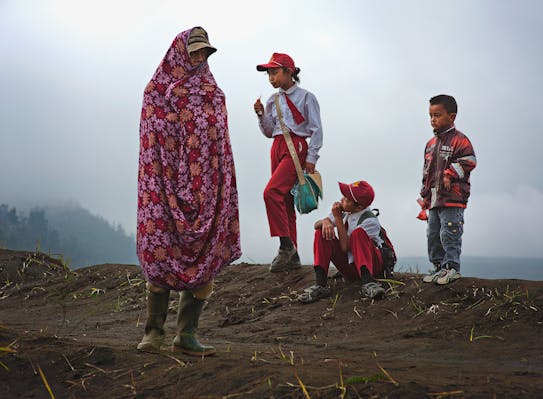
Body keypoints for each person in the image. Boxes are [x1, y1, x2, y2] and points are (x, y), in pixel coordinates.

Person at [136, 27, 241, 356]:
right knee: (163, 251)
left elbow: (221, 143)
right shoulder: (157, 91)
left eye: (204, 53)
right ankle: (154, 332)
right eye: (194, 51)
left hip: (205, 188)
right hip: (164, 186)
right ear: (179, 51)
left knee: (204, 256)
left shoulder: (213, 92)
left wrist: (216, 183)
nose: (198, 57)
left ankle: (187, 334)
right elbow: (152, 136)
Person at [253, 53, 323, 272]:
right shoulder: (272, 100)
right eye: (268, 74)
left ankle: (285, 247)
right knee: (284, 200)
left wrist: (311, 157)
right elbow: (268, 131)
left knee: (271, 192)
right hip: (277, 145)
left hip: (297, 146)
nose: (271, 78)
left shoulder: (306, 97)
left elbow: (316, 129)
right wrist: (261, 116)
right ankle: (292, 255)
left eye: (274, 72)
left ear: (289, 71)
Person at [419, 94, 476, 285]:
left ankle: (452, 268)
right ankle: (438, 268)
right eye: (430, 115)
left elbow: (470, 160)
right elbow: (427, 172)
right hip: (435, 199)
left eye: (437, 115)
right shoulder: (430, 144)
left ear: (452, 117)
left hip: (453, 198)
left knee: (449, 232)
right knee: (433, 234)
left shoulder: (460, 140)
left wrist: (450, 174)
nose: (433, 120)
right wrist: (424, 195)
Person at [298, 181, 387, 304]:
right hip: (350, 268)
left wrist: (338, 219)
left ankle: (368, 283)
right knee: (321, 232)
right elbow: (316, 225)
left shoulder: (370, 220)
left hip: (370, 267)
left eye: (347, 199)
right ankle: (320, 285)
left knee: (358, 234)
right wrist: (326, 222)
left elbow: (345, 247)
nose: (342, 199)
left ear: (359, 207)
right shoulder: (346, 212)